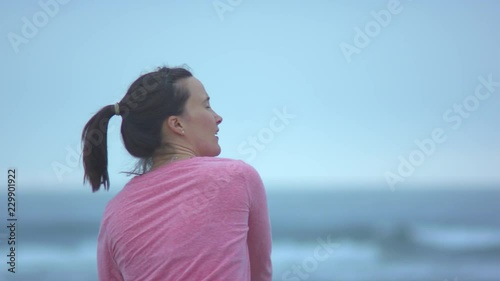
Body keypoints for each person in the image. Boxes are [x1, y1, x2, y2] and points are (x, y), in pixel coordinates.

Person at [80, 66, 273, 281]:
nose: (218, 117)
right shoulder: (236, 176)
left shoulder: (114, 213)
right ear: (177, 124)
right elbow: (260, 274)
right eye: (206, 106)